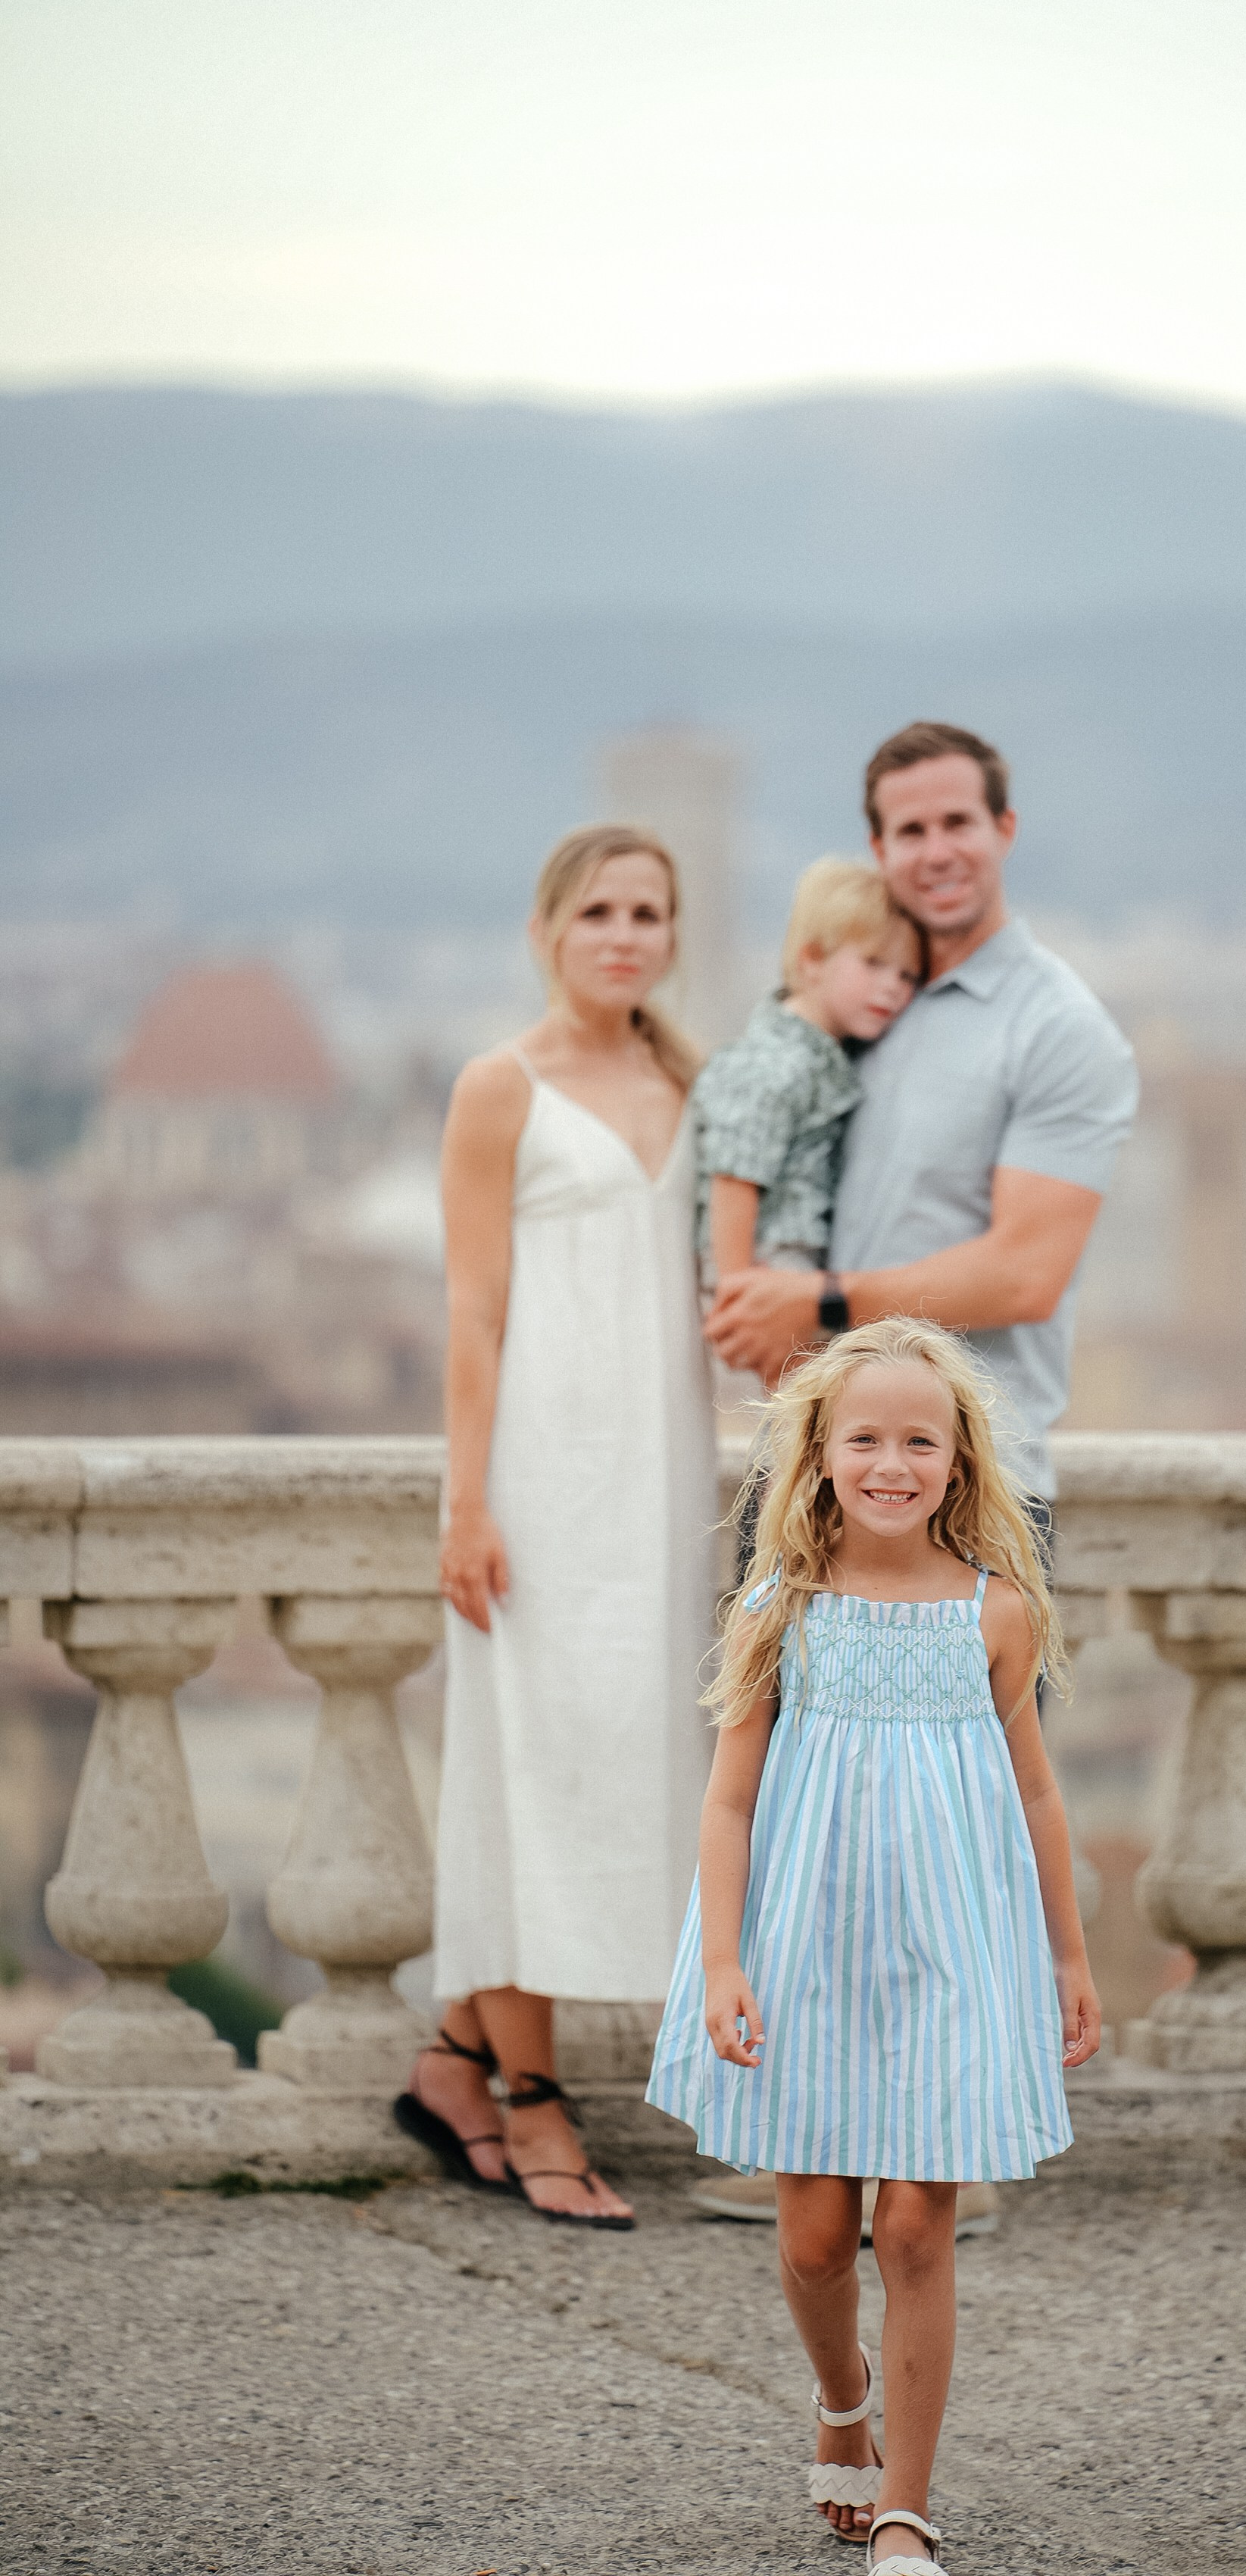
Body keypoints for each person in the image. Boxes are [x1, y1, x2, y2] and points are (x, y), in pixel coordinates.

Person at [646, 1318, 1101, 2568]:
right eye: (866, 1437)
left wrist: (1067, 1957)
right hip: (806, 1942)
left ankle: (906, 2499)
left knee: (913, 2224)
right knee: (810, 2236)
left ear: (959, 1462)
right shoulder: (780, 1604)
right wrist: (727, 1961)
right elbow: (731, 1797)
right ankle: (841, 2391)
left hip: (954, 1945)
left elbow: (1038, 1794)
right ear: (819, 1454)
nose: (892, 1461)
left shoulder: (996, 1612)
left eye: (921, 1438)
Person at [398, 823, 716, 2227]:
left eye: (648, 910)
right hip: (538, 1475)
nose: (624, 933)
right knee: (528, 1771)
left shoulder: (693, 1082)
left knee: (631, 1764)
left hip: (659, 1483)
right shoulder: (499, 1086)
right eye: (599, 909)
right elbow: (472, 1306)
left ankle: (452, 2064)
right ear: (547, 928)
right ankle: (532, 2101)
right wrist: (466, 1500)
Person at [705, 722, 1138, 1525]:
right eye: (910, 831)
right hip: (807, 1479)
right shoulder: (863, 1007)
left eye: (957, 824)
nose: (936, 851)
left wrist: (817, 1302)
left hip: (966, 1491)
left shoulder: (1057, 1029)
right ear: (878, 848)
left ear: (1003, 830)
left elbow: (1025, 1275)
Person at [695, 858, 924, 1374]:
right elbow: (735, 1174)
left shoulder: (827, 1056)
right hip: (769, 1258)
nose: (891, 988)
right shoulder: (774, 1061)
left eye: (907, 975)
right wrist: (739, 1291)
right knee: (807, 1397)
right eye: (873, 964)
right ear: (812, 960)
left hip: (792, 1257)